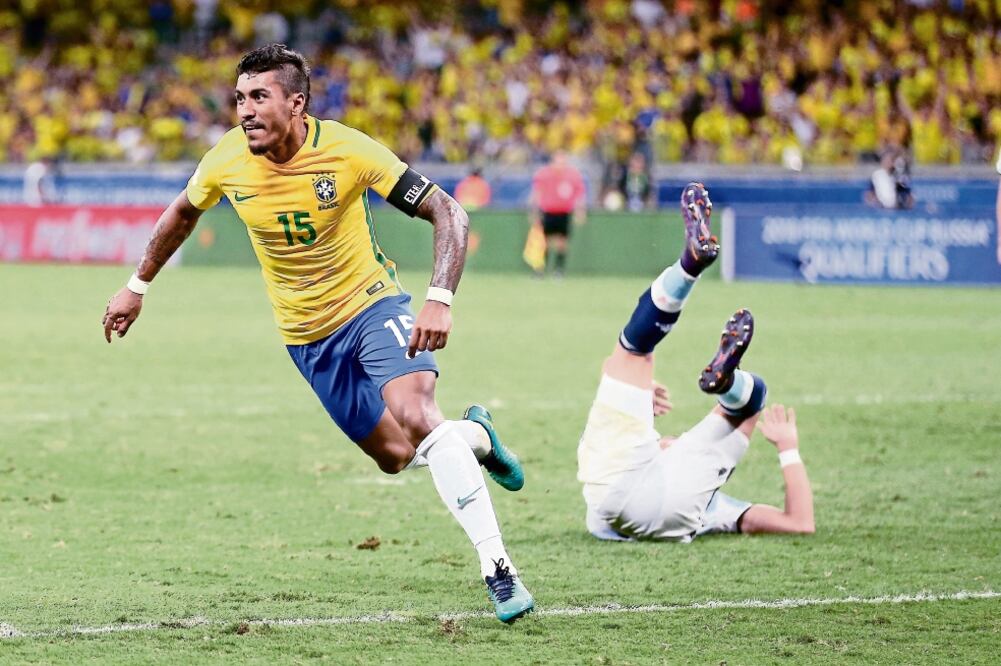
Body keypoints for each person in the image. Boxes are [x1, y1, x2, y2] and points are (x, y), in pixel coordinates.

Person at [101, 44, 533, 623]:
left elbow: (448, 211)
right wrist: (138, 284)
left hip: (372, 307)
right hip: (306, 337)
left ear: (297, 103)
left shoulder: (349, 150)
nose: (245, 110)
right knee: (396, 455)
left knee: (415, 412)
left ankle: (498, 569)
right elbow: (182, 212)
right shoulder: (227, 159)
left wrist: (439, 299)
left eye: (259, 97)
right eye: (239, 98)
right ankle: (478, 440)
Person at [578, 182, 815, 542]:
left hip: (609, 494)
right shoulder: (710, 493)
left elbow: (615, 370)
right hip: (676, 509)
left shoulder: (660, 455)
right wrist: (788, 449)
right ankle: (728, 383)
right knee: (751, 398)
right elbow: (800, 523)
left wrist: (637, 393)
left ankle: (689, 266)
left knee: (633, 352)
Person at [529, 151, 586, 277]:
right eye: (558, 161)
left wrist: (580, 211)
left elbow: (579, 195)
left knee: (562, 242)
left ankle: (559, 270)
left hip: (564, 212)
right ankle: (540, 269)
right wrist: (534, 211)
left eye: (563, 161)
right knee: (545, 242)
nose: (560, 164)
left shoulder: (573, 175)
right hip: (548, 211)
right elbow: (536, 193)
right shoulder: (544, 174)